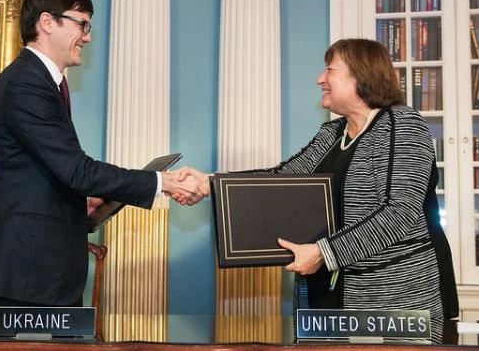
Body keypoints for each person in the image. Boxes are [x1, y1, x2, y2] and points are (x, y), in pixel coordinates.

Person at [177, 38, 459, 344]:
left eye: (329, 70)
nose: (320, 79)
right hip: (326, 296)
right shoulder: (332, 132)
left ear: (361, 76)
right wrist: (209, 183)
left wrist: (325, 253)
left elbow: (400, 210)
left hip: (397, 300)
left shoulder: (403, 124)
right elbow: (282, 178)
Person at [0, 0, 209, 308]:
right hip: (23, 272)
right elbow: (76, 169)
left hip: (38, 270)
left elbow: (47, 172)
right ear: (48, 22)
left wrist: (83, 198)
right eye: (82, 24)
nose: (88, 36)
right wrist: (163, 182)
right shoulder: (26, 85)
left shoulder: (39, 82)